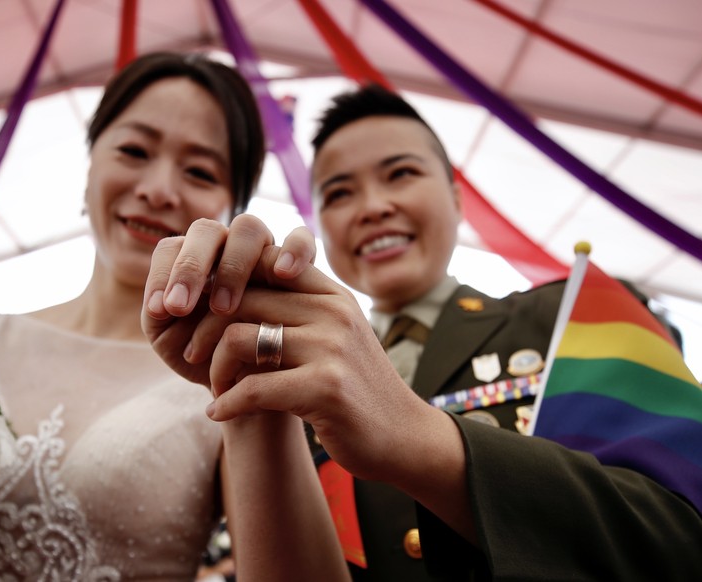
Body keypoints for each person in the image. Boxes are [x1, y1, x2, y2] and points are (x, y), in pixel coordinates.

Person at [142, 84, 702, 581]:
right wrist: (248, 396)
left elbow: (683, 537)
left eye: (401, 173)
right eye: (339, 194)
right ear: (320, 229)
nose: (373, 207)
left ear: (458, 198)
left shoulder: (573, 315)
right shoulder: (287, 384)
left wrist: (422, 439)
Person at [0, 51, 347, 582]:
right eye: (135, 150)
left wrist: (258, 391)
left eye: (200, 170)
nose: (159, 189)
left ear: (233, 208)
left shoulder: (229, 378)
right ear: (90, 165)